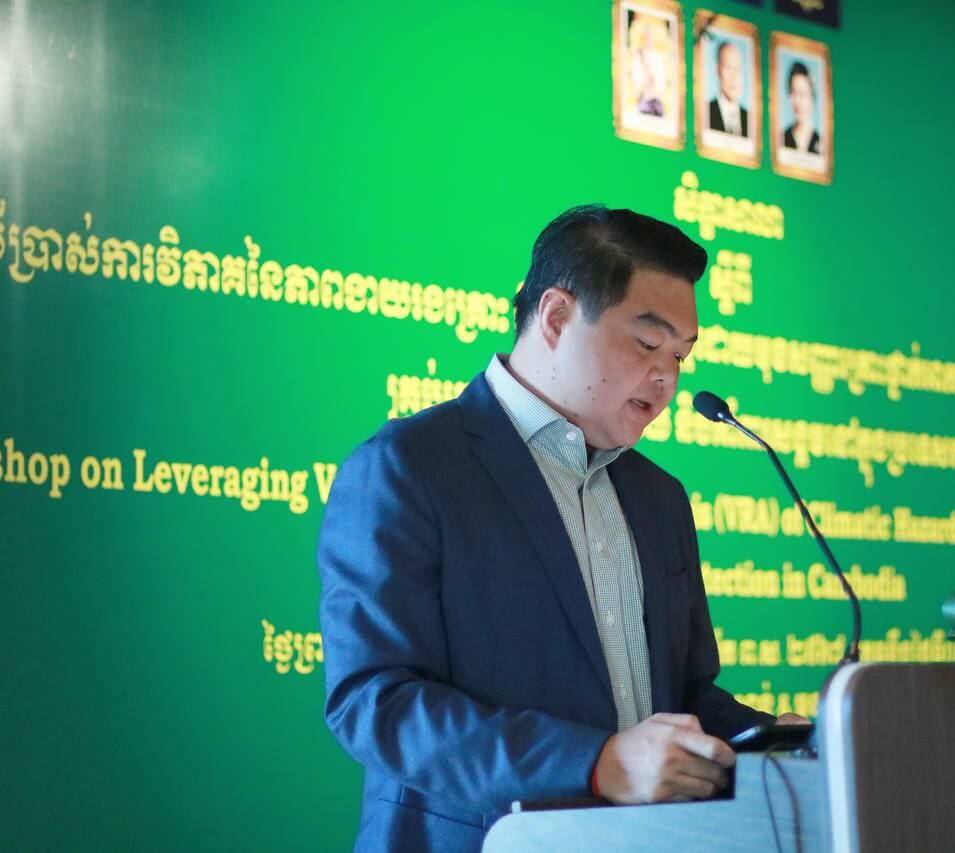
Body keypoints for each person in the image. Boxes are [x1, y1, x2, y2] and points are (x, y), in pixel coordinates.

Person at [317, 205, 805, 851]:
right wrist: (595, 762)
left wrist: (774, 745)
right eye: (648, 344)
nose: (667, 378)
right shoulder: (409, 466)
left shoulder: (659, 497)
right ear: (554, 317)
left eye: (681, 355)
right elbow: (377, 702)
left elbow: (681, 697)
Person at [708, 40, 748, 137]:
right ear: (718, 69)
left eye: (738, 70)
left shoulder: (749, 119)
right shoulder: (706, 112)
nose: (734, 77)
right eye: (728, 68)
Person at [782, 61, 821, 155]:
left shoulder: (821, 142)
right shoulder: (782, 138)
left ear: (812, 97)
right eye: (793, 93)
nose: (797, 101)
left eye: (802, 94)